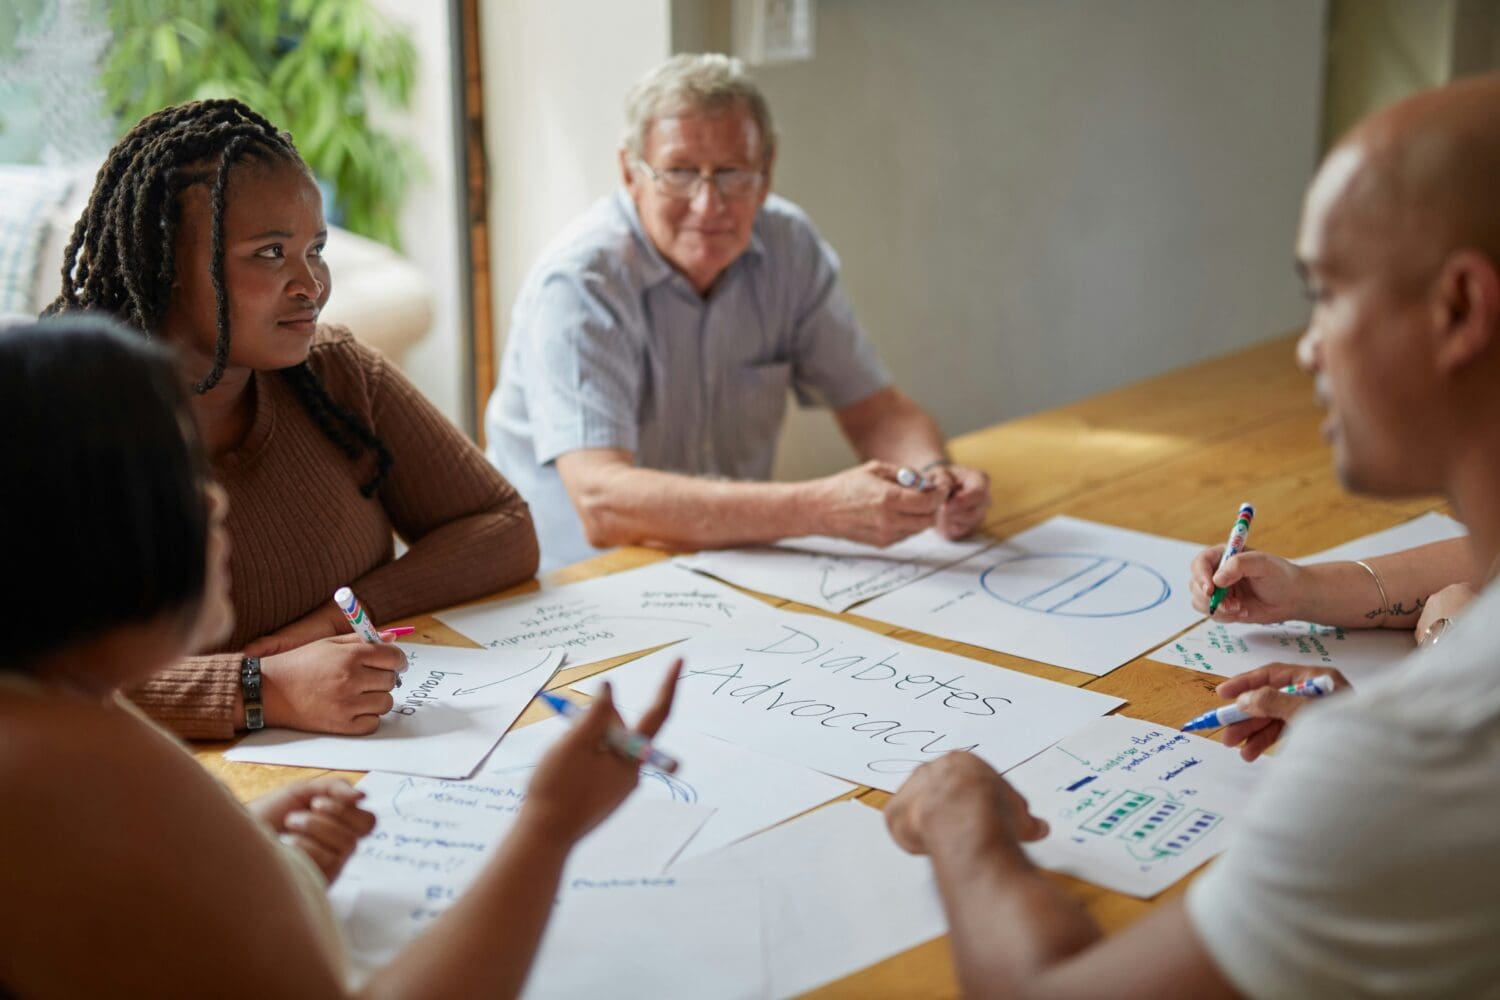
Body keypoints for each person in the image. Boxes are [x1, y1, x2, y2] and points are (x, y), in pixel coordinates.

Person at [883, 74, 1500, 996]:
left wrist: (957, 814)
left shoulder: (1420, 757)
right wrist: (1316, 591)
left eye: (1326, 293)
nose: (1306, 349)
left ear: (1459, 308)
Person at [0, 316, 682, 996]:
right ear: (81, 533)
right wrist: (550, 824)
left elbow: (140, 915)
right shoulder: (64, 777)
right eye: (178, 475)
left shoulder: (57, 713)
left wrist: (261, 857)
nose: (214, 501)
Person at [44, 99, 540, 739]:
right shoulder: (63, 429)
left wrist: (338, 620)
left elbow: (503, 528)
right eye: (270, 253)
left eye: (316, 248)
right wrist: (262, 687)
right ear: (162, 266)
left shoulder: (335, 375)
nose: (311, 284)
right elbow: (33, 677)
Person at [484, 54, 991, 572]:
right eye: (679, 173)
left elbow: (877, 411)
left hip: (728, 567)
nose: (708, 205)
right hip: (572, 583)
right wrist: (820, 509)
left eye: (732, 174)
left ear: (766, 171)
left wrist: (933, 479)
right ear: (630, 173)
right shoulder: (580, 282)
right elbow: (601, 501)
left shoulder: (789, 246)